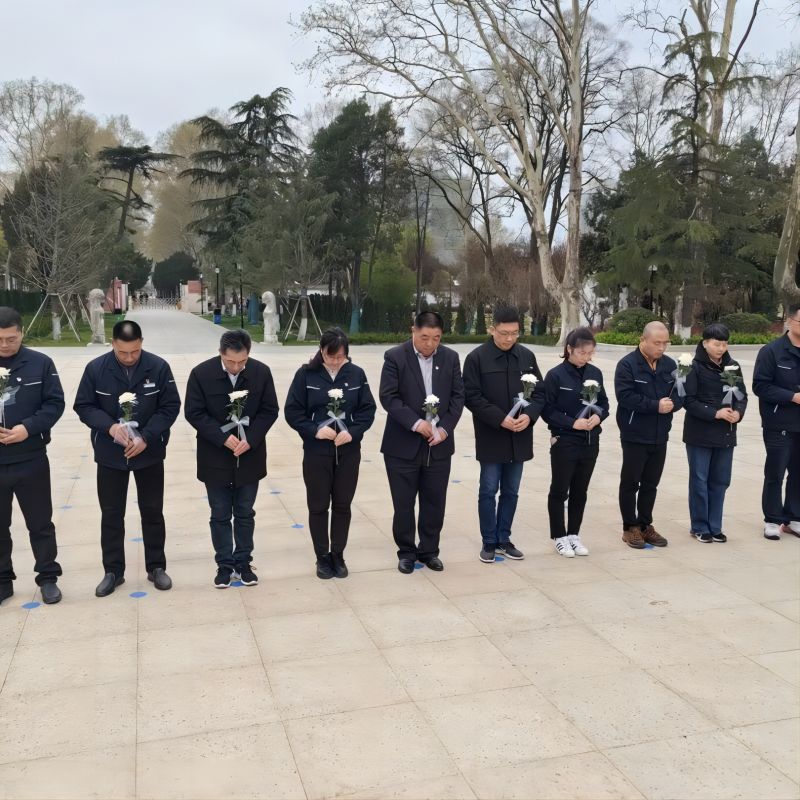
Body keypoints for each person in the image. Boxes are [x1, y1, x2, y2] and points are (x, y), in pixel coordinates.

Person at [74, 320, 181, 596]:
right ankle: (113, 571)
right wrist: (109, 427)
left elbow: (170, 406)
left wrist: (146, 437)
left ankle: (156, 567)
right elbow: (83, 405)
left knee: (152, 511)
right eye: (123, 352)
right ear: (113, 344)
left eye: (135, 351)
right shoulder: (96, 369)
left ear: (141, 343)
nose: (130, 357)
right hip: (110, 454)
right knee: (111, 514)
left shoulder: (158, 367)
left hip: (149, 452)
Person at [184, 329, 279, 587]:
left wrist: (252, 438)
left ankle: (243, 562)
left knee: (245, 512)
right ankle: (224, 565)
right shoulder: (201, 374)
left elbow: (270, 410)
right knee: (220, 513)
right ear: (220, 353)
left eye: (242, 361)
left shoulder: (260, 372)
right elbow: (193, 412)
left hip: (250, 455)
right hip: (215, 455)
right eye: (230, 361)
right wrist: (222, 437)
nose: (236, 367)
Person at [284, 328, 376, 579]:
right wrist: (314, 430)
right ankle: (322, 557)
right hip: (317, 452)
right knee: (318, 505)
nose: (335, 361)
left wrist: (353, 432)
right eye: (330, 356)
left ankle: (338, 554)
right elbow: (292, 412)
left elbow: (368, 410)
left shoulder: (356, 374)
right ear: (321, 351)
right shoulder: (306, 374)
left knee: (343, 505)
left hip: (348, 452)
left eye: (340, 357)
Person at [379, 310, 465, 573]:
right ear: (413, 330)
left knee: (434, 501)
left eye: (436, 338)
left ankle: (429, 550)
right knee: (403, 503)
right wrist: (416, 423)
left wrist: (444, 429)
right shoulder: (395, 357)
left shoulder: (450, 358)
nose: (430, 344)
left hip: (438, 445)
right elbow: (389, 397)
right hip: (402, 445)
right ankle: (406, 551)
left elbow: (458, 397)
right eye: (425, 337)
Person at [463, 306, 544, 563]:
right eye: (504, 333)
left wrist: (529, 416)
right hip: (492, 435)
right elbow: (471, 396)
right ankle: (489, 541)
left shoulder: (527, 356)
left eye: (515, 333)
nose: (509, 338)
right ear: (492, 329)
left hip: (519, 435)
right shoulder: (477, 358)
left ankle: (504, 539)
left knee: (511, 491)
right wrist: (500, 419)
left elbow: (540, 394)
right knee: (488, 490)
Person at [0, 307, 64, 606]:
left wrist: (27, 428)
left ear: (21, 332)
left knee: (40, 524)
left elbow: (54, 404)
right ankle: (3, 580)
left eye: (11, 339)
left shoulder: (40, 363)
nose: (5, 345)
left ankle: (48, 577)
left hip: (31, 458)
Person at [614, 321, 683, 549]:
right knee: (630, 482)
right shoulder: (627, 365)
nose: (661, 348)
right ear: (643, 340)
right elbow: (625, 397)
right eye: (656, 343)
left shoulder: (670, 365)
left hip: (660, 434)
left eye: (665, 343)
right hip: (634, 433)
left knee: (651, 484)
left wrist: (673, 405)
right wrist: (655, 405)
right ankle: (629, 527)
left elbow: (681, 393)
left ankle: (645, 525)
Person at [541, 327, 609, 558]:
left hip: (590, 440)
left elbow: (604, 403)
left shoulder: (595, 373)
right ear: (569, 349)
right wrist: (572, 423)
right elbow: (547, 410)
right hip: (565, 439)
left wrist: (599, 416)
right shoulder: (556, 375)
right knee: (560, 489)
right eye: (582, 353)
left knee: (580, 490)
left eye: (590, 353)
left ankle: (573, 534)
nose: (586, 357)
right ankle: (559, 536)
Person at [683, 322, 748, 543]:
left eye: (724, 344)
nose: (721, 348)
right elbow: (688, 401)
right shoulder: (693, 367)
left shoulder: (732, 366)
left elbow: (741, 396)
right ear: (705, 343)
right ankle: (700, 526)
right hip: (700, 433)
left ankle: (715, 526)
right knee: (699, 481)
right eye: (716, 344)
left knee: (720, 481)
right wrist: (715, 413)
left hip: (725, 433)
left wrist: (738, 412)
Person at [752, 303, 800, 540]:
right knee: (775, 472)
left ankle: (794, 517)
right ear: (790, 321)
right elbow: (760, 386)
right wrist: (792, 397)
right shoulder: (772, 351)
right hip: (779, 423)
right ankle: (772, 519)